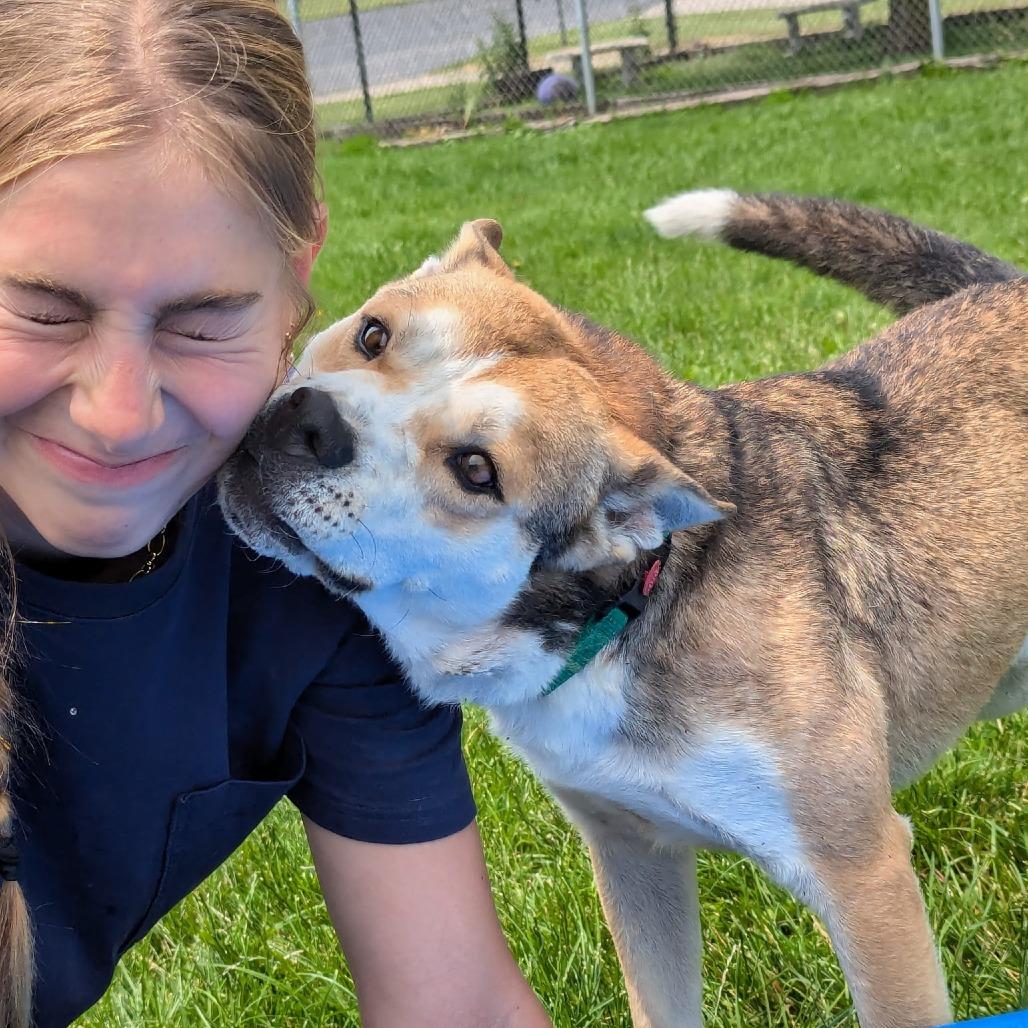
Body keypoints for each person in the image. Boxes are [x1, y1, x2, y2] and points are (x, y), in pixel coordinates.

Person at [0, 2, 553, 1025]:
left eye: (203, 322)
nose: (117, 415)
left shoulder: (308, 554)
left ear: (299, 273)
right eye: (40, 307)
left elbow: (458, 1004)